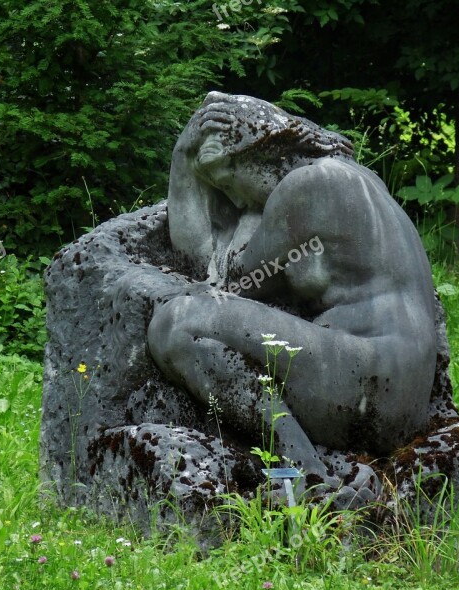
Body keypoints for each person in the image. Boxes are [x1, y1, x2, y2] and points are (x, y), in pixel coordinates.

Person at [148, 93, 438, 488]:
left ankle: (302, 469)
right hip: (403, 392)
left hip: (368, 381)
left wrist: (183, 155)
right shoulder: (357, 178)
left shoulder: (304, 188)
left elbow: (222, 280)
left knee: (176, 323)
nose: (233, 200)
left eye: (228, 182)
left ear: (253, 154)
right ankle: (303, 466)